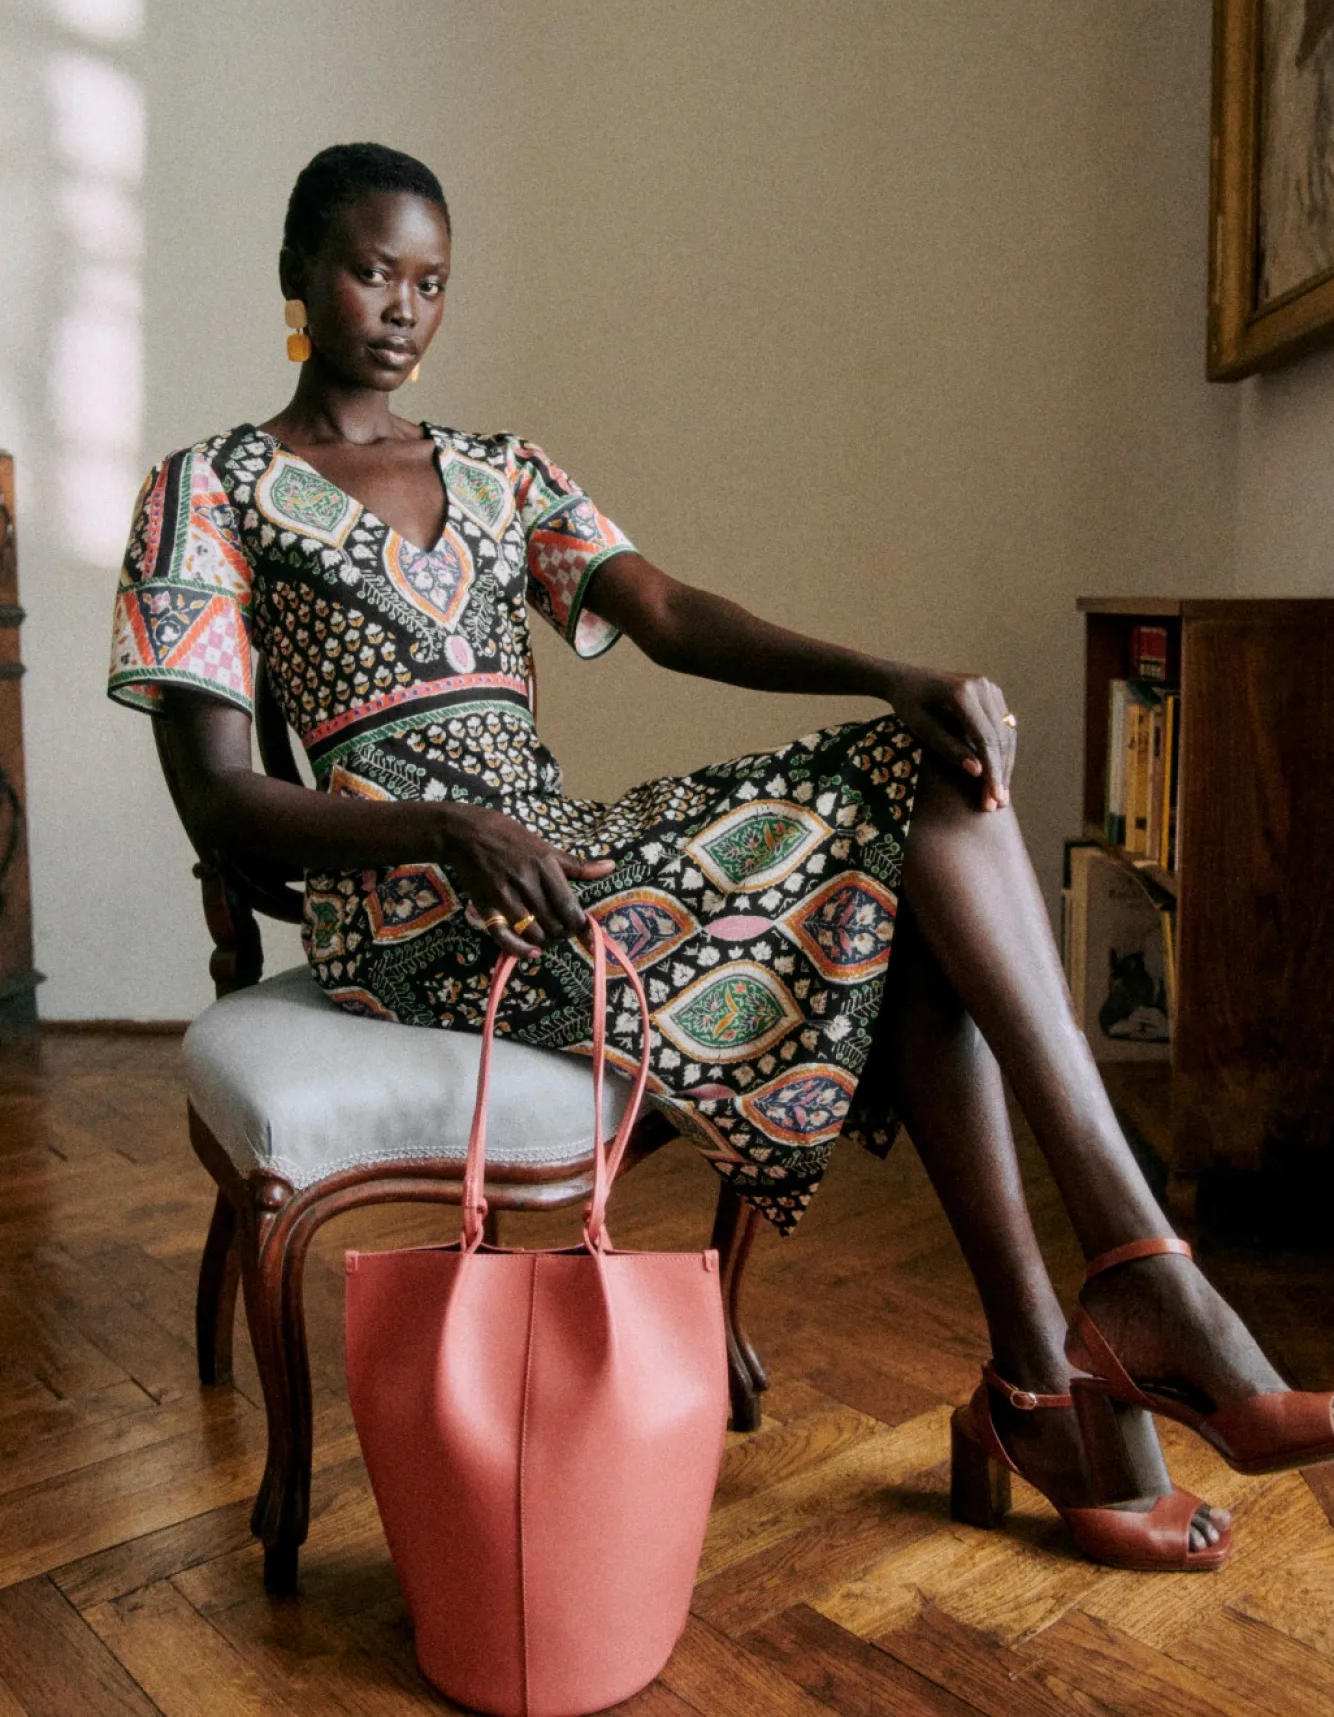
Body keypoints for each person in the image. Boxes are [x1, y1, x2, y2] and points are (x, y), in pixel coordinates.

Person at [109, 142, 1332, 1573]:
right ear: (297, 274)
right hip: (413, 911)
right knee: (906, 886)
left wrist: (889, 675)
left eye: (430, 282)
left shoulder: (501, 471)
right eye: (371, 271)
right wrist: (440, 826)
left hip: (561, 858)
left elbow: (673, 613)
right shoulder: (207, 488)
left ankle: (1089, 1326)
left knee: (927, 782)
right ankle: (1103, 1334)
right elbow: (221, 802)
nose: (401, 308)